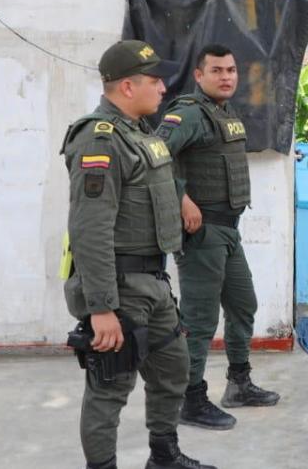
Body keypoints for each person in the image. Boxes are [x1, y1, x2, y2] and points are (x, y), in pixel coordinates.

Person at [61, 39, 215, 469]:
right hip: (120, 286)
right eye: (154, 80)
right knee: (110, 387)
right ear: (127, 87)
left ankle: (163, 457)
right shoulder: (99, 138)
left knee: (172, 371)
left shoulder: (141, 134)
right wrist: (102, 308)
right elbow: (89, 229)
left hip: (153, 281)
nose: (163, 88)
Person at [156, 43, 280, 432]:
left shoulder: (222, 113)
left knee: (244, 305)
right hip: (202, 233)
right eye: (217, 71)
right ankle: (190, 400)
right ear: (199, 75)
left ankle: (239, 384)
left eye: (231, 70)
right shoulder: (188, 114)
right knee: (200, 318)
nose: (226, 77)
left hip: (228, 230)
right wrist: (181, 199)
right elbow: (154, 155)